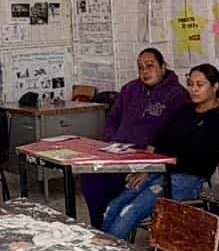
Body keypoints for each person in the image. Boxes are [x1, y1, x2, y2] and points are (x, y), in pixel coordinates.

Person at [102, 64, 219, 242]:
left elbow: (197, 161)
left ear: (215, 87)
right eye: (191, 84)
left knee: (130, 210)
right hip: (162, 169)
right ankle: (100, 250)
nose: (194, 89)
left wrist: (160, 166)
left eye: (200, 85)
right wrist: (148, 168)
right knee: (113, 206)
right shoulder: (186, 110)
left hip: (189, 178)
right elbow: (163, 141)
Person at [81, 48, 189, 228]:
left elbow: (173, 134)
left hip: (147, 158)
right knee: (90, 177)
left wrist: (150, 159)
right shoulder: (129, 89)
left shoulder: (177, 95)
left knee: (115, 185)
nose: (144, 71)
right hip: (118, 153)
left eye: (150, 66)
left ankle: (111, 224)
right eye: (140, 67)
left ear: (163, 67)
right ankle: (98, 227)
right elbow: (112, 120)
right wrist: (112, 142)